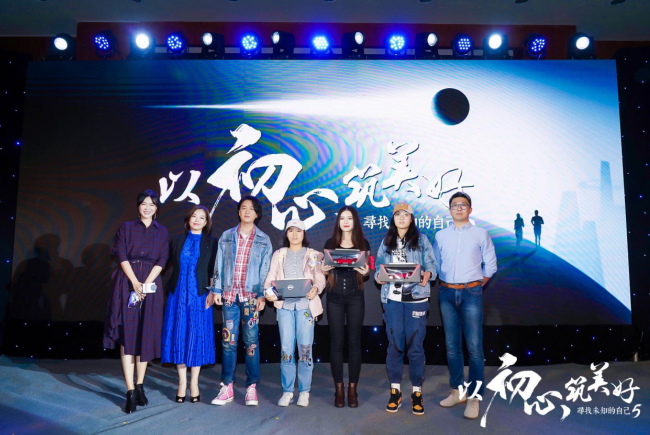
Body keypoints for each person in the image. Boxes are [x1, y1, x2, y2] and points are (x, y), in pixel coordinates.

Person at [103, 189, 169, 414]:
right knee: (128, 336)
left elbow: (163, 259)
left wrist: (146, 284)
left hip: (151, 284)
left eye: (152, 204)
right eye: (144, 203)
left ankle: (140, 385)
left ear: (156, 207)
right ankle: (130, 390)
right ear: (138, 206)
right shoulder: (126, 227)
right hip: (127, 282)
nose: (147, 207)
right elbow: (121, 255)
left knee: (145, 335)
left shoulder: (162, 231)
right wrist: (134, 282)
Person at [433, 192, 497, 420]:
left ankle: (474, 397)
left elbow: (490, 265)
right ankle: (457, 391)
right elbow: (435, 264)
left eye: (463, 205)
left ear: (470, 209)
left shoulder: (480, 233)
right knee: (452, 346)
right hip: (446, 293)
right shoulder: (440, 235)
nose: (459, 208)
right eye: (454, 205)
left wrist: (475, 285)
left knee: (475, 348)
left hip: (471, 293)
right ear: (449, 210)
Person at [208, 195, 272, 406]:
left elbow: (265, 269)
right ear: (238, 211)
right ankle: (227, 386)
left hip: (251, 297)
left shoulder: (263, 239)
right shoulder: (226, 236)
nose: (247, 211)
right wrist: (217, 289)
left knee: (251, 342)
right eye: (243, 208)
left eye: (251, 209)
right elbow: (218, 265)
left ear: (257, 214)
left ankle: (251, 387)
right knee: (228, 342)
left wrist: (262, 294)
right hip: (229, 296)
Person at [375, 203, 437, 416]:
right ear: (393, 218)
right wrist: (379, 277)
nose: (401, 218)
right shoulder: (386, 241)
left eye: (406, 215)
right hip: (392, 299)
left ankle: (417, 392)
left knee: (415, 346)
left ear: (412, 218)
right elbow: (378, 267)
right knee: (395, 345)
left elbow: (432, 266)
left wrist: (428, 274)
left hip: (416, 298)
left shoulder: (422, 240)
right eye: (398, 215)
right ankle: (395, 391)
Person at [264, 219, 326, 407]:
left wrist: (316, 288)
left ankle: (304, 391)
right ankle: (288, 391)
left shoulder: (313, 254)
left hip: (305, 308)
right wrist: (268, 292)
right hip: (285, 308)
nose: (294, 234)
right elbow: (271, 276)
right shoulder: (279, 254)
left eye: (298, 230)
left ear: (304, 233)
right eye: (291, 230)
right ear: (286, 233)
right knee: (286, 349)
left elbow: (320, 277)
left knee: (305, 349)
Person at [162, 205, 218, 404]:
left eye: (201, 217)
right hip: (177, 296)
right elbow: (163, 262)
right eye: (194, 216)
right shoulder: (176, 240)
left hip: (199, 296)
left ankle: (194, 383)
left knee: (196, 336)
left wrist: (212, 291)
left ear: (206, 223)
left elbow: (213, 270)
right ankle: (181, 382)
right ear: (187, 220)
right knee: (179, 335)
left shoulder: (212, 243)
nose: (197, 220)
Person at [321, 206, 370, 408]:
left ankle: (352, 389)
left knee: (354, 343)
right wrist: (324, 270)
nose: (346, 221)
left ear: (355, 221)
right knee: (336, 343)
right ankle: (339, 389)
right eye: (342, 218)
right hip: (334, 297)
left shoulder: (363, 244)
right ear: (338, 222)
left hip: (355, 296)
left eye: (350, 218)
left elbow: (366, 271)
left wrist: (366, 272)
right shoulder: (330, 243)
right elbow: (324, 270)